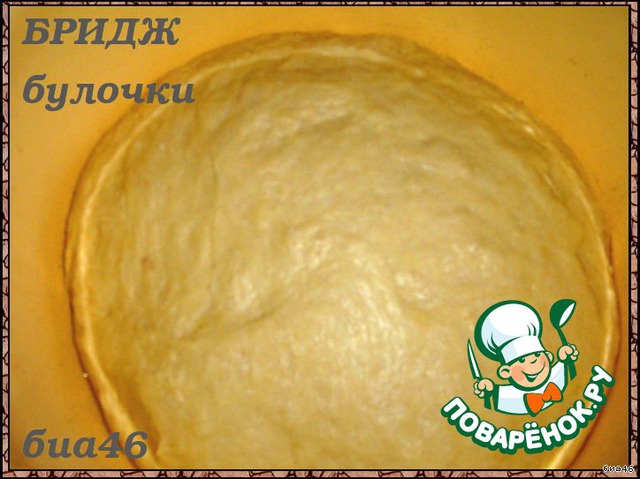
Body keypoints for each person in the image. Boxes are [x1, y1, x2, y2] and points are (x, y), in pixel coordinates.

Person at [473, 300, 579, 416]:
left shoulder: (558, 375)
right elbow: (492, 400)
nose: (533, 361)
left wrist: (566, 358)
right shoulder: (507, 397)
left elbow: (569, 373)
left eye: (537, 355)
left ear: (549, 357)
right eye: (522, 360)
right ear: (505, 372)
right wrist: (488, 391)